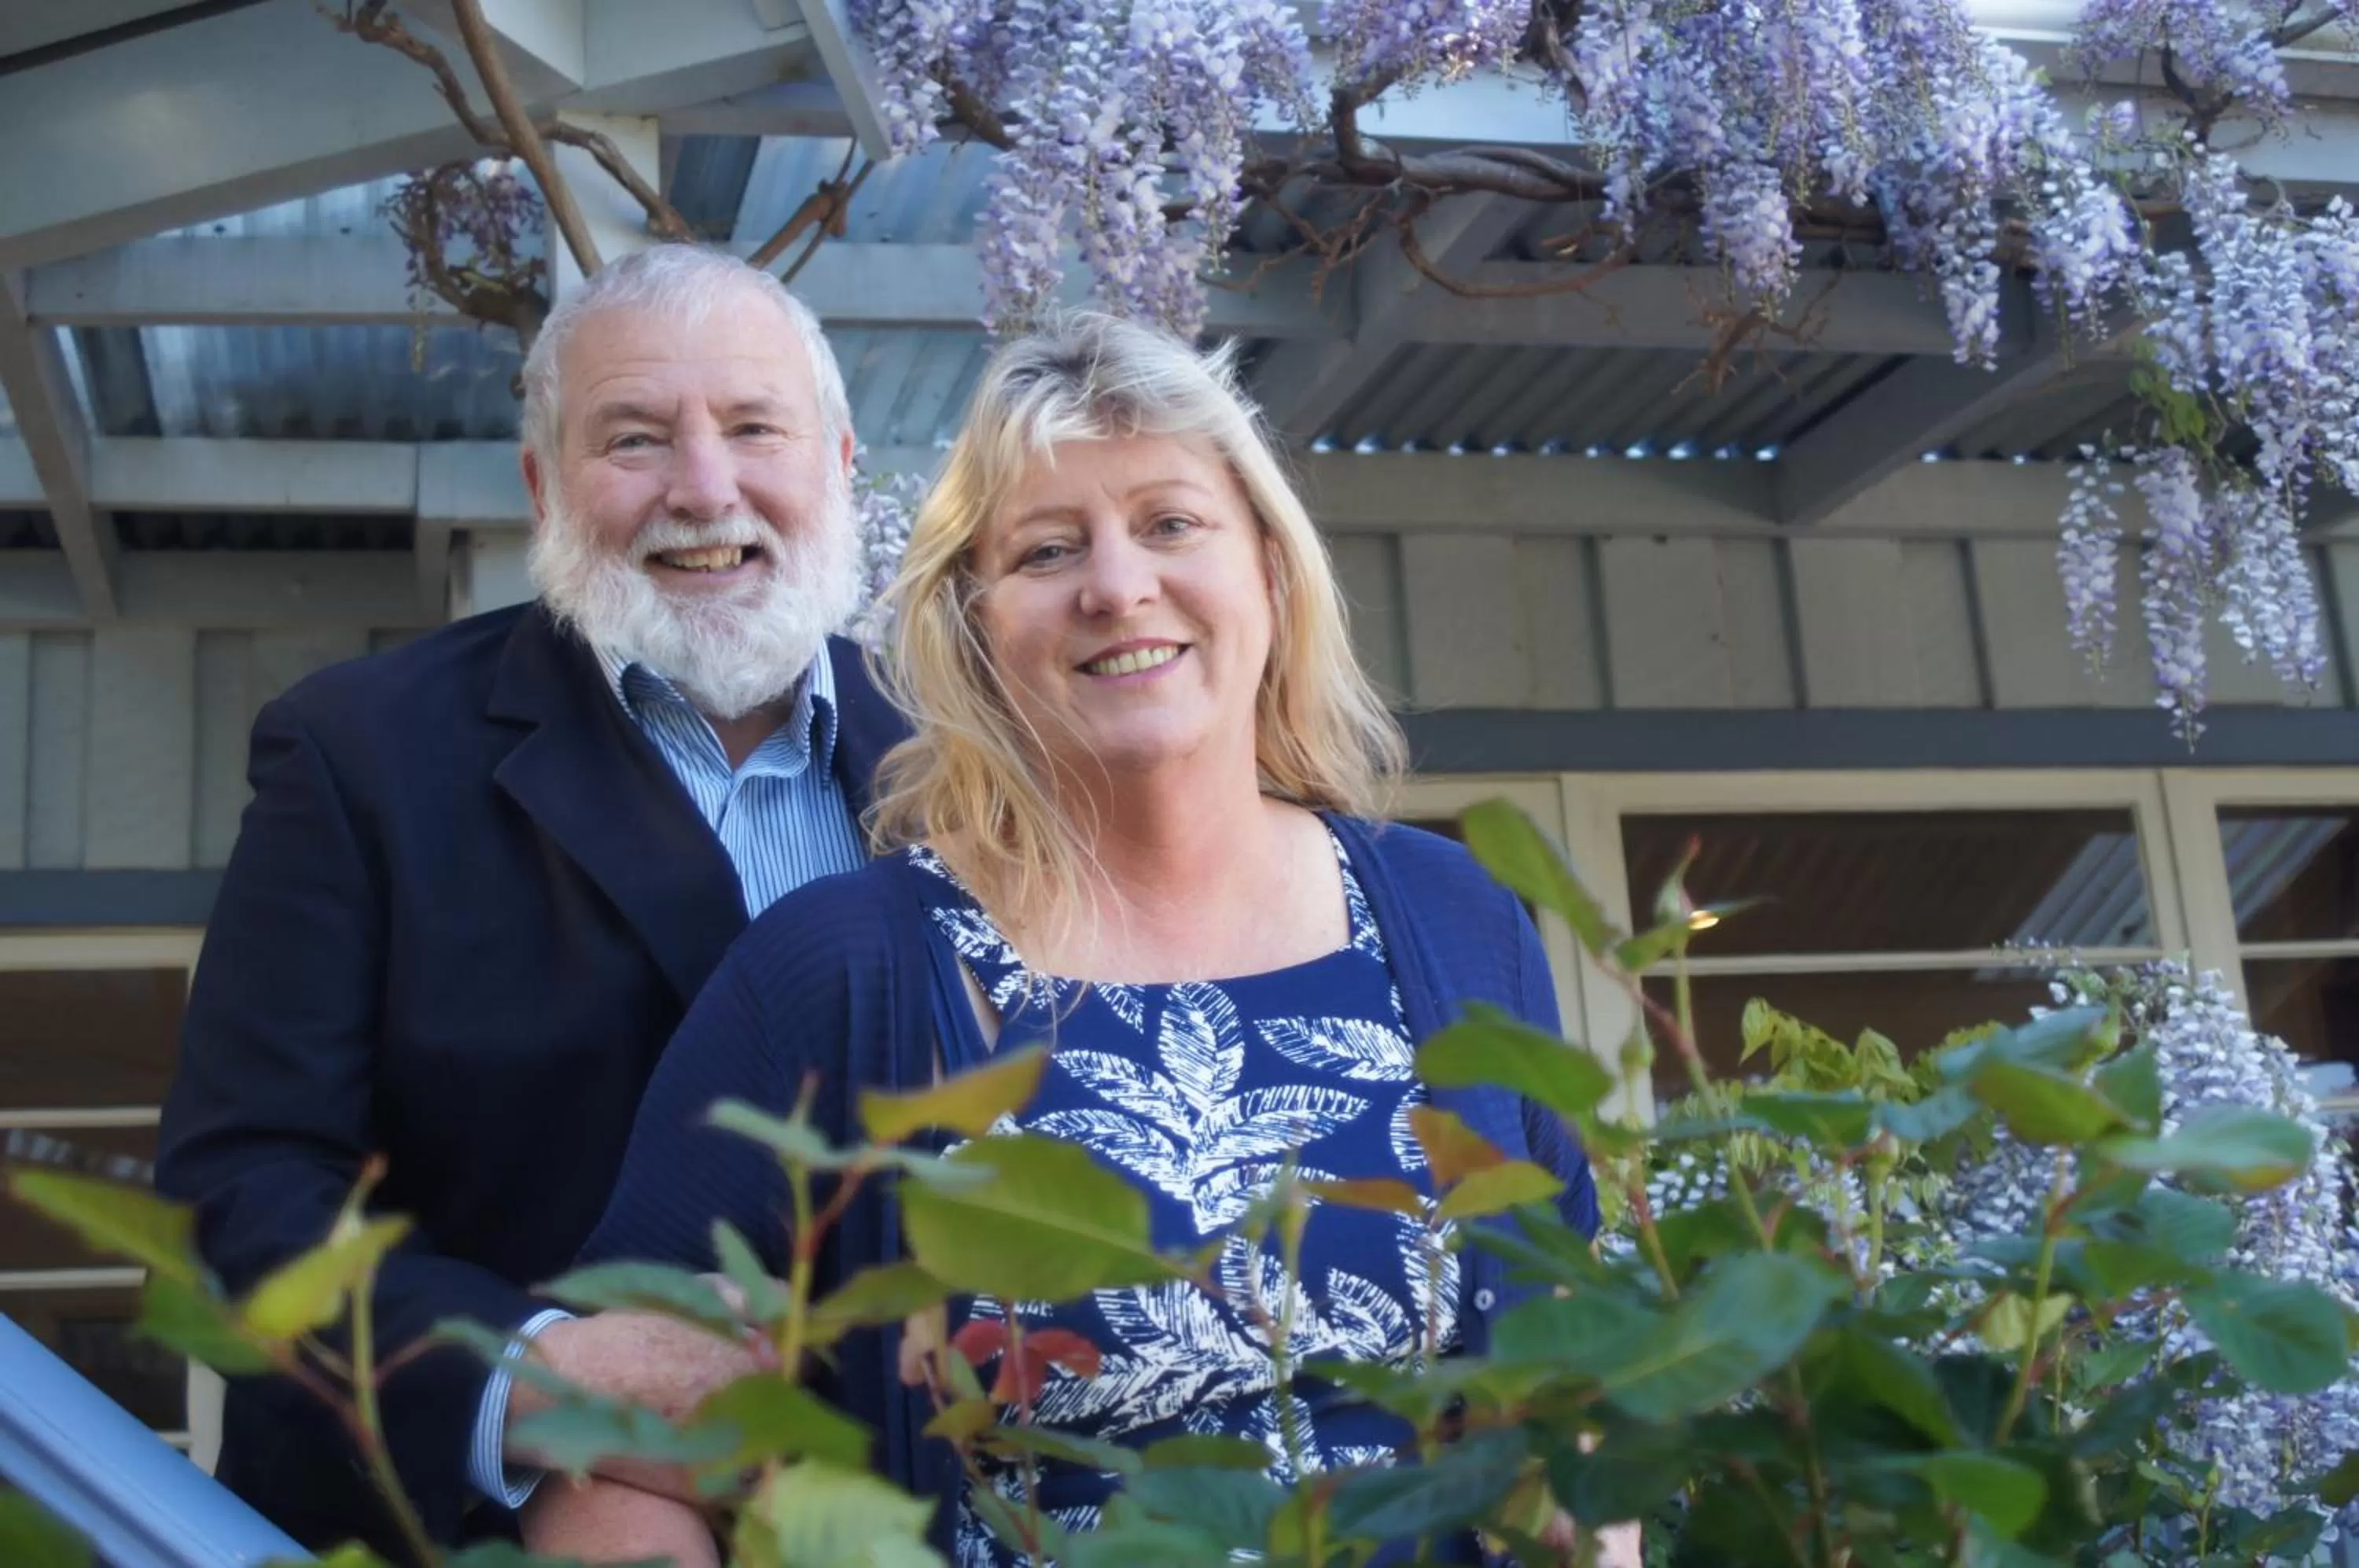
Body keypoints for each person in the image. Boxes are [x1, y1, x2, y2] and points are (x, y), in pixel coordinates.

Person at [524, 313, 1635, 1566]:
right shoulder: (841, 969)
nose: (1118, 586)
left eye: (1170, 524)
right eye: (1050, 549)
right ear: (979, 627)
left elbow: (1567, 1379)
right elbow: (598, 1425)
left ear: (1269, 573)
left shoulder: (1455, 919)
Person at [154, 243, 910, 1558]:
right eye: (634, 438)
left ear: (840, 462)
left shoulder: (974, 765)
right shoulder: (362, 752)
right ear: (542, 484)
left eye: (752, 427)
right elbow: (244, 1181)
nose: (704, 486)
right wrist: (541, 1379)